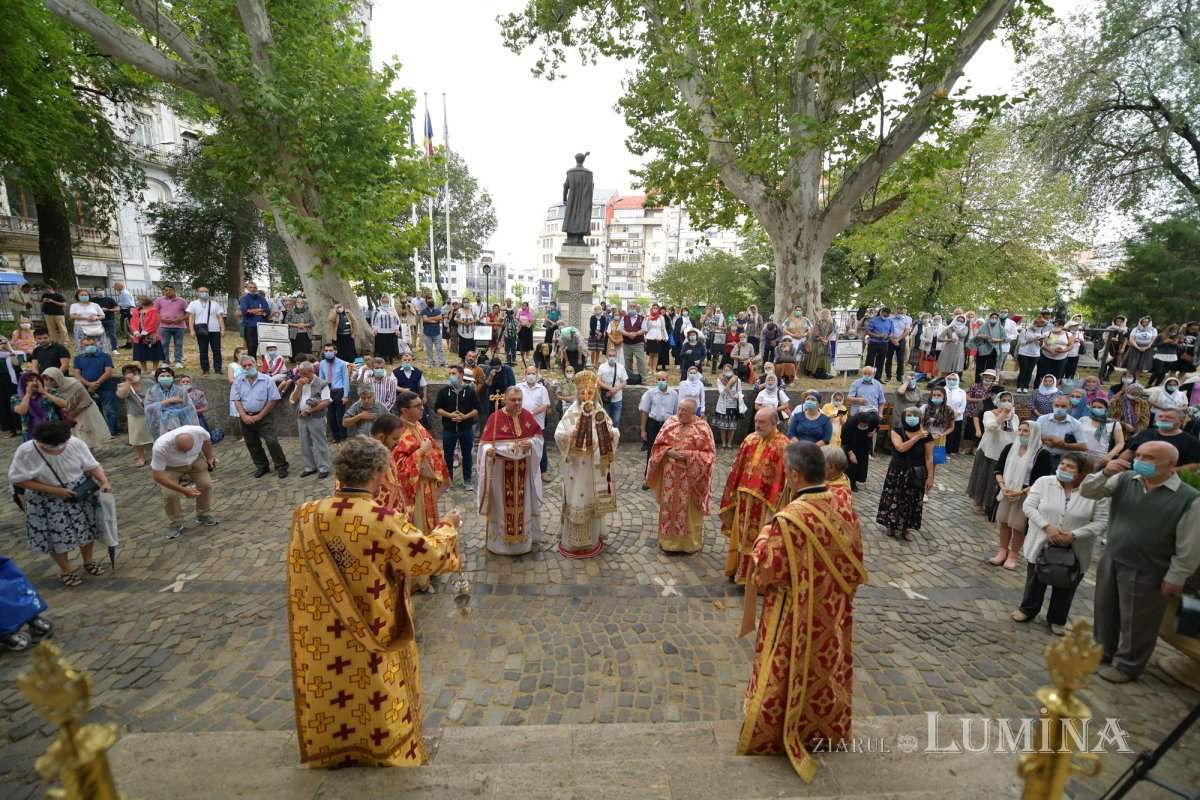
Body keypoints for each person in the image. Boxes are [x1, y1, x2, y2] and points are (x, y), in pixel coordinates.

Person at [287, 436, 461, 767]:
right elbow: (428, 557)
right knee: (375, 690)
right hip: (373, 626)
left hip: (321, 635)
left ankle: (335, 751)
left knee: (333, 689)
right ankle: (385, 753)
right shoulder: (380, 519)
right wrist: (447, 527)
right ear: (380, 472)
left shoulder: (306, 515)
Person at [736, 441, 866, 783]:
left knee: (789, 667)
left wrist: (764, 535)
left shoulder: (790, 519)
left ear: (793, 474)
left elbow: (767, 571)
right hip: (832, 609)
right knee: (826, 668)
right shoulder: (843, 506)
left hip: (794, 614)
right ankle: (825, 729)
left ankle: (779, 728)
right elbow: (856, 562)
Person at [1083, 440, 1200, 683]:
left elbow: (1189, 546)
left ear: (1169, 465)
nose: (1140, 461)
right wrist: (1103, 473)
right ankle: (1102, 652)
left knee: (1139, 620)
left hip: (1150, 567)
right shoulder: (1126, 480)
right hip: (1113, 556)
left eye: (1148, 458)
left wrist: (1176, 577)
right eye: (1140, 455)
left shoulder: (1189, 499)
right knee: (1105, 609)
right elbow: (1088, 492)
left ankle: (1128, 665)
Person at [1012, 454, 1108, 635]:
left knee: (1067, 582)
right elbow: (1029, 507)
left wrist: (1074, 535)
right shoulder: (1044, 482)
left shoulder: (1096, 492)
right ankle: (1028, 609)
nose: (1062, 468)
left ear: (1083, 474)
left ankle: (1057, 618)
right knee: (1035, 577)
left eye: (1069, 467)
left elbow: (1102, 521)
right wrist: (1047, 527)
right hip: (1042, 540)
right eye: (1062, 464)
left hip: (1077, 547)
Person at [8, 421, 113, 587]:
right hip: (45, 498)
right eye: (51, 447)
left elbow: (91, 465)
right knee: (56, 536)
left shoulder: (76, 444)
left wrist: (104, 481)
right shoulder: (26, 451)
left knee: (87, 529)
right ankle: (66, 570)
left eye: (61, 446)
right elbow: (18, 480)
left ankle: (88, 561)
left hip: (77, 493)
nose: (58, 450)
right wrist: (54, 490)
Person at [384, 390, 452, 592]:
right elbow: (398, 467)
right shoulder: (399, 432)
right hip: (414, 491)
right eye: (417, 406)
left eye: (422, 405)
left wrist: (440, 476)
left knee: (430, 526)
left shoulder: (418, 425)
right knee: (419, 531)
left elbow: (434, 452)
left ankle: (431, 565)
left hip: (427, 488)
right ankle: (419, 579)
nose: (422, 408)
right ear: (404, 410)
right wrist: (421, 452)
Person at [554, 370, 620, 557]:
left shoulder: (601, 413)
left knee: (591, 499)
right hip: (575, 467)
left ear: (595, 393)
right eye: (582, 392)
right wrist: (570, 436)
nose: (586, 396)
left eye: (590, 392)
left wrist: (611, 433)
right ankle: (572, 541)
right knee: (575, 498)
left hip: (593, 468)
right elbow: (558, 435)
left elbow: (613, 433)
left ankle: (592, 539)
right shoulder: (570, 413)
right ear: (577, 393)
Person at [719, 407, 788, 583]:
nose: (757, 425)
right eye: (756, 421)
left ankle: (757, 577)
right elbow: (737, 469)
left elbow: (782, 480)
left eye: (762, 422)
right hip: (744, 500)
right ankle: (739, 571)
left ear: (774, 423)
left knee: (761, 539)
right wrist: (732, 493)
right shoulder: (750, 439)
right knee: (741, 537)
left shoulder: (783, 445)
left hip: (765, 504)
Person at [477, 386, 544, 555]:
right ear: (505, 400)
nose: (517, 403)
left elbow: (538, 436)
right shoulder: (495, 418)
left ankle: (524, 542)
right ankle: (500, 544)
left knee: (524, 504)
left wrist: (531, 444)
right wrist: (488, 452)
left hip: (523, 470)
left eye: (519, 399)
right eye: (513, 400)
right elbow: (483, 445)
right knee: (501, 505)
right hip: (501, 471)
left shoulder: (527, 416)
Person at [647, 397, 716, 553]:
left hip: (691, 477)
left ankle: (689, 544)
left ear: (693, 412)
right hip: (670, 475)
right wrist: (667, 452)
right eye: (679, 409)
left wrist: (689, 456)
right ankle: (667, 542)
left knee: (689, 512)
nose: (680, 413)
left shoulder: (703, 428)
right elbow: (657, 447)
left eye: (684, 410)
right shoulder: (670, 423)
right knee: (669, 510)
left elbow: (710, 456)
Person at [989, 421, 1055, 569]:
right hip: (1007, 490)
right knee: (1004, 522)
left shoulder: (1041, 454)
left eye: (1026, 431)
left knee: (1019, 525)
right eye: (1020, 430)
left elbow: (1042, 480)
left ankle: (1013, 555)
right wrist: (1002, 486)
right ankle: (1002, 551)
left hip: (1026, 492)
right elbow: (998, 468)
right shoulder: (1010, 448)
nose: (1021, 434)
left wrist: (1022, 491)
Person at [150, 425, 219, 539]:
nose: (185, 454)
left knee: (206, 485)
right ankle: (175, 523)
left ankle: (203, 514)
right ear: (173, 444)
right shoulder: (160, 447)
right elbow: (158, 476)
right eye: (181, 451)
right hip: (171, 467)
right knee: (170, 495)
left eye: (188, 450)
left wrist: (210, 458)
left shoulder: (199, 432)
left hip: (195, 460)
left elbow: (206, 441)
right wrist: (184, 491)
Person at [876, 407, 935, 541]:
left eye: (915, 415)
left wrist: (930, 477)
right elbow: (900, 448)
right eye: (909, 415)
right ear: (903, 417)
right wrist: (917, 437)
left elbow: (929, 457)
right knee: (894, 497)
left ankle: (905, 528)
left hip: (916, 472)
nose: (911, 417)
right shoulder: (896, 432)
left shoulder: (926, 436)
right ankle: (890, 525)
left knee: (911, 500)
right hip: (897, 470)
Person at [230, 354, 289, 478]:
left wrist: (260, 415)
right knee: (252, 443)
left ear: (255, 364)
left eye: (249, 365)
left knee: (271, 441)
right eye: (244, 366)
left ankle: (281, 466)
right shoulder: (238, 381)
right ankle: (262, 466)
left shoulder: (267, 380)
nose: (247, 367)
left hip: (264, 416)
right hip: (245, 416)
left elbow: (272, 400)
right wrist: (243, 416)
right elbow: (236, 400)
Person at [969, 391, 1018, 514]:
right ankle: (978, 501)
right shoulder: (988, 414)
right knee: (983, 476)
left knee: (997, 479)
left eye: (1009, 400)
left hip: (1005, 452)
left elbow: (1016, 433)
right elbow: (992, 426)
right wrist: (1004, 413)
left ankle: (991, 503)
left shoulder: (1015, 417)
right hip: (989, 450)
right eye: (1004, 400)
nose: (1007, 403)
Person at [36, 367, 105, 449]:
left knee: (85, 437)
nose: (48, 381)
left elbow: (86, 399)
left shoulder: (74, 384)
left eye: (51, 379)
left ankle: (88, 457)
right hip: (66, 415)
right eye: (45, 379)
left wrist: (75, 411)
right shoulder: (47, 388)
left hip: (83, 411)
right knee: (71, 440)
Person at [435, 366, 480, 490]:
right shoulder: (444, 391)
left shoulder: (470, 391)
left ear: (461, 375)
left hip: (466, 429)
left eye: (453, 373)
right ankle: (448, 480)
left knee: (467, 455)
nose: (451, 375)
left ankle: (467, 479)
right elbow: (437, 408)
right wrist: (450, 415)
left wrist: (465, 417)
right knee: (448, 456)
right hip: (449, 430)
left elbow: (477, 409)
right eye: (450, 373)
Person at [1120, 407, 1200, 472]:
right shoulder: (1145, 433)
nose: (1163, 419)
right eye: (1160, 416)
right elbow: (1130, 452)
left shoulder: (1190, 441)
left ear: (1181, 420)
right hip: (1135, 475)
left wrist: (1170, 471)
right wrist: (1118, 465)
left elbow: (1196, 464)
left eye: (1168, 417)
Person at [289, 362, 332, 478]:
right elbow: (294, 399)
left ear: (311, 372)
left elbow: (325, 402)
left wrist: (309, 411)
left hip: (316, 417)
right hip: (301, 418)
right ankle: (310, 467)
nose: (300, 376)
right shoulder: (299, 382)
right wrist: (299, 386)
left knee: (320, 443)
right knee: (305, 443)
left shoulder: (322, 383)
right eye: (299, 373)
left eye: (303, 374)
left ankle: (324, 467)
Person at [143, 366, 200, 440]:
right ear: (157, 378)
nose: (165, 378)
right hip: (160, 424)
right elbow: (148, 408)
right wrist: (167, 401)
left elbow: (189, 408)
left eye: (168, 376)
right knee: (164, 444)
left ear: (173, 378)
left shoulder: (180, 391)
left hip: (179, 422)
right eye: (162, 376)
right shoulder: (152, 391)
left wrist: (174, 412)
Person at [115, 365, 153, 466]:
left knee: (156, 434)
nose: (132, 375)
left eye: (134, 372)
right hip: (135, 414)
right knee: (136, 438)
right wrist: (128, 381)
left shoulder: (148, 382)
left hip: (151, 413)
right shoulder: (122, 385)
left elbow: (157, 394)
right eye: (128, 373)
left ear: (139, 373)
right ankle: (141, 457)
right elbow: (122, 394)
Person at [12, 371, 66, 441]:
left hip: (53, 430)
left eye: (37, 380)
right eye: (30, 381)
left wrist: (44, 392)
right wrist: (27, 395)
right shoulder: (16, 397)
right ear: (23, 383)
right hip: (32, 433)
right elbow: (22, 411)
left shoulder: (50, 391)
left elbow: (64, 404)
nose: (34, 383)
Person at [518, 366, 552, 475]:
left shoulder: (542, 389)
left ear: (537, 374)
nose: (531, 376)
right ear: (525, 373)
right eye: (529, 373)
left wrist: (531, 414)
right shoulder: (518, 387)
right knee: (522, 444)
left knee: (540, 446)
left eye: (533, 373)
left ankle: (543, 471)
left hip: (537, 423)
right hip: (521, 423)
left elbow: (545, 405)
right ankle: (523, 468)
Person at [1037, 394, 1087, 466]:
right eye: (1057, 406)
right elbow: (1033, 436)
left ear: (1070, 407)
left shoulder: (1076, 424)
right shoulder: (1042, 419)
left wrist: (1060, 444)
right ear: (1052, 405)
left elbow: (1083, 446)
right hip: (1041, 457)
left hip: (1063, 460)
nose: (1059, 408)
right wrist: (1050, 438)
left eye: (1063, 406)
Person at [185, 286, 225, 375]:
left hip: (214, 330)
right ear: (197, 293)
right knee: (203, 350)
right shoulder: (193, 304)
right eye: (202, 291)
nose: (204, 293)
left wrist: (222, 329)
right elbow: (191, 317)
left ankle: (218, 369)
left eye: (206, 291)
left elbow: (220, 317)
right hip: (201, 330)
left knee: (217, 350)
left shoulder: (215, 304)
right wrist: (191, 330)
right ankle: (205, 369)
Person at [317, 342, 351, 443]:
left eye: (331, 351)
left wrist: (345, 395)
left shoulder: (342, 364)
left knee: (341, 416)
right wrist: (322, 393)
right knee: (331, 416)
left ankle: (343, 437)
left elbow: (346, 380)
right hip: (328, 392)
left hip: (339, 392)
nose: (328, 353)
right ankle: (336, 437)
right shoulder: (322, 363)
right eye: (326, 351)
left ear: (335, 351)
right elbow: (321, 379)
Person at [840, 409, 880, 493]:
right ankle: (848, 482)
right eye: (861, 424)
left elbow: (877, 427)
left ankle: (855, 481)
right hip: (851, 441)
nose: (863, 426)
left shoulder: (873, 419)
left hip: (864, 442)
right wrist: (850, 452)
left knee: (861, 461)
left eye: (865, 425)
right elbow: (844, 438)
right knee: (850, 463)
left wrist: (873, 432)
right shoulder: (850, 423)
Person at [152, 285, 188, 368]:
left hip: (179, 326)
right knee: (164, 344)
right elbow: (154, 312)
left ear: (174, 291)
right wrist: (161, 318)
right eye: (166, 290)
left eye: (170, 290)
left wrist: (181, 319)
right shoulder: (159, 300)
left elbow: (189, 312)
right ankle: (165, 362)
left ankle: (178, 362)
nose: (168, 292)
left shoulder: (182, 300)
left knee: (178, 344)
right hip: (164, 326)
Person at [68, 288, 108, 356]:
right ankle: (83, 357)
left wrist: (96, 318)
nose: (84, 296)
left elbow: (102, 316)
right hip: (81, 327)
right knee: (82, 343)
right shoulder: (74, 305)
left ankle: (101, 356)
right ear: (77, 296)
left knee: (99, 343)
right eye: (82, 295)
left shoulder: (95, 305)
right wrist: (86, 318)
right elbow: (72, 316)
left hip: (96, 327)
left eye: (86, 295)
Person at [714, 363, 744, 450]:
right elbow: (722, 392)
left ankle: (729, 443)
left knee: (732, 426)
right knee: (723, 426)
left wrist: (738, 395)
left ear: (732, 370)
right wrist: (730, 383)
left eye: (729, 370)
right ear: (723, 371)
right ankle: (723, 443)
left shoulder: (737, 380)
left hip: (733, 405)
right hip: (723, 406)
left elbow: (740, 391)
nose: (727, 372)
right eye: (726, 370)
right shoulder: (720, 380)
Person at [236, 282, 271, 356]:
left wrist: (255, 311)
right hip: (249, 325)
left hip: (262, 325)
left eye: (254, 287)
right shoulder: (244, 299)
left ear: (256, 288)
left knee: (264, 345)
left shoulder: (261, 299)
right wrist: (258, 310)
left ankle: (266, 364)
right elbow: (245, 311)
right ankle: (252, 362)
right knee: (251, 346)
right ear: (247, 288)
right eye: (251, 287)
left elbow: (267, 311)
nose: (252, 289)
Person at [130, 296, 164, 372]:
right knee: (140, 353)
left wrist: (143, 333)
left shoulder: (153, 310)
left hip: (151, 335)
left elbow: (153, 323)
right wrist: (136, 332)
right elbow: (133, 322)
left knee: (154, 352)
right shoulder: (137, 311)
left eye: (139, 300)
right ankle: (144, 368)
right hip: (138, 335)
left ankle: (155, 369)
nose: (138, 302)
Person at [1121, 316, 1158, 384]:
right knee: (1131, 365)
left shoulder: (1153, 330)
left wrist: (1147, 347)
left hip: (1146, 349)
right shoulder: (1136, 329)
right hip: (1135, 348)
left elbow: (1153, 339)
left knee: (1141, 366)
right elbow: (1132, 339)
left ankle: (1136, 380)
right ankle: (1128, 379)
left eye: (1146, 322)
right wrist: (1137, 346)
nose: (1144, 323)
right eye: (1143, 322)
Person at [597, 350, 628, 427]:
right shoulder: (602, 367)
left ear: (616, 356)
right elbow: (598, 381)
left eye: (614, 355)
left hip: (617, 399)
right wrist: (610, 388)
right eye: (610, 356)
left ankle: (615, 438)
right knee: (605, 421)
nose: (612, 357)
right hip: (606, 398)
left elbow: (624, 381)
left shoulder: (621, 367)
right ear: (607, 357)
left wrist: (615, 389)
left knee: (616, 421)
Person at [619, 303, 648, 380]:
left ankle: (643, 378)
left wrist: (636, 333)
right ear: (628, 307)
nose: (632, 308)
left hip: (638, 343)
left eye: (634, 306)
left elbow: (644, 329)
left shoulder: (642, 318)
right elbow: (620, 329)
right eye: (630, 306)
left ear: (636, 307)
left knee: (640, 361)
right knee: (628, 361)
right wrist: (628, 334)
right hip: (627, 344)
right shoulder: (624, 318)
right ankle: (629, 378)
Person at [371, 296, 402, 364]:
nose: (385, 303)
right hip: (380, 332)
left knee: (391, 347)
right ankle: (382, 360)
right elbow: (374, 320)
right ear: (381, 302)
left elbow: (396, 320)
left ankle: (391, 359)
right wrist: (375, 329)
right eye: (384, 301)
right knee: (381, 347)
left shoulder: (392, 310)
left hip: (391, 332)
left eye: (387, 301)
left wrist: (397, 329)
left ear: (389, 302)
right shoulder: (378, 310)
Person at [864, 307, 893, 375]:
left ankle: (878, 377)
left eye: (887, 316)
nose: (886, 317)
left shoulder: (890, 321)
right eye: (885, 315)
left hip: (884, 343)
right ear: (881, 313)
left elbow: (892, 332)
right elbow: (867, 331)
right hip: (874, 342)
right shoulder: (874, 320)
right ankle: (867, 376)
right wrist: (878, 336)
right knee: (870, 360)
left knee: (881, 361)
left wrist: (889, 336)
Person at [92, 287, 119, 352]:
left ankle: (114, 349)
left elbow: (117, 309)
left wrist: (108, 309)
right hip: (98, 319)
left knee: (112, 334)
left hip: (110, 319)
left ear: (104, 291)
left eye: (100, 290)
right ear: (95, 292)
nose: (99, 291)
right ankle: (101, 348)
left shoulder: (109, 299)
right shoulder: (93, 300)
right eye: (97, 290)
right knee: (99, 334)